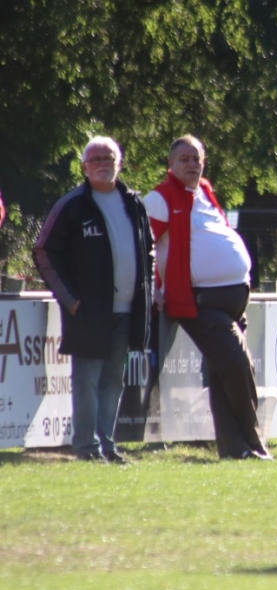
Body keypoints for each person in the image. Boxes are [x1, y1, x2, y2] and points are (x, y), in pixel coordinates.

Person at [143, 135, 268, 461]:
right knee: (238, 366)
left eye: (196, 158)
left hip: (234, 298)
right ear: (171, 164)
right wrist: (152, 288)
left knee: (223, 372)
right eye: (184, 159)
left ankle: (234, 449)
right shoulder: (160, 198)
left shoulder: (205, 192)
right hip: (199, 301)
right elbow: (142, 244)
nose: (191, 164)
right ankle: (253, 443)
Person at [32, 136, 153, 462]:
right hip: (87, 312)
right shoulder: (72, 205)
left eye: (108, 158)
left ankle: (107, 446)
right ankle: (86, 447)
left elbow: (148, 251)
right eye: (95, 159)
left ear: (119, 163)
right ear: (84, 167)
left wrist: (147, 293)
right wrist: (69, 298)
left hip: (127, 310)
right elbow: (43, 251)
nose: (102, 164)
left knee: (113, 380)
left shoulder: (134, 203)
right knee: (87, 381)